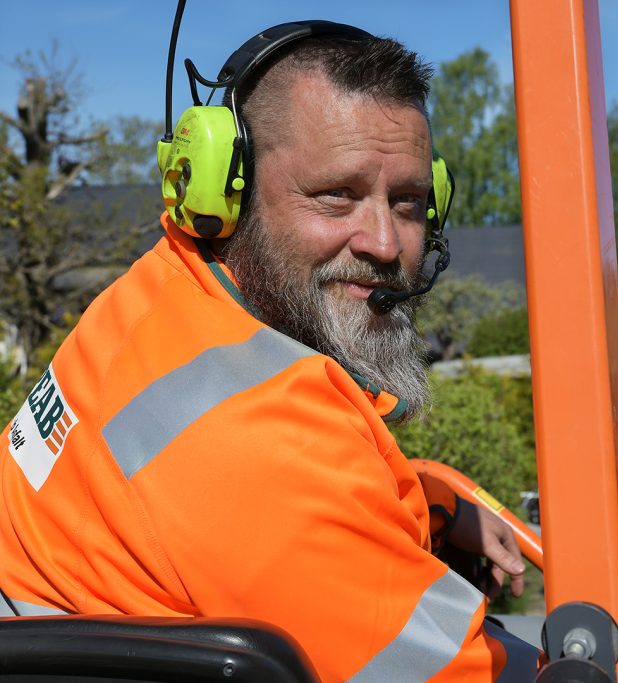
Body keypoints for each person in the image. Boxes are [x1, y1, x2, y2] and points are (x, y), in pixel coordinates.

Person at [0, 19, 540, 682]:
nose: (385, 242)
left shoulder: (160, 298)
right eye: (336, 194)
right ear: (227, 192)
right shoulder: (263, 438)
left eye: (407, 202)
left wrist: (429, 499)